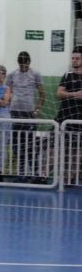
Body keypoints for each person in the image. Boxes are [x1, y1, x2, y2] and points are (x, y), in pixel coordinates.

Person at [6, 51, 46, 182]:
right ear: (18, 63)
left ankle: (35, 174)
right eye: (21, 65)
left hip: (29, 113)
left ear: (29, 63)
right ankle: (21, 173)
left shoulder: (35, 74)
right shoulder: (12, 74)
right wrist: (8, 108)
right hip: (15, 112)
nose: (23, 68)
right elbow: (8, 93)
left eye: (25, 65)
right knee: (17, 145)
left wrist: (37, 109)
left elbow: (42, 94)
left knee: (30, 145)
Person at [56, 46, 82, 184]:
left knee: (76, 150)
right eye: (73, 58)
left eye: (77, 58)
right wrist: (74, 94)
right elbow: (59, 93)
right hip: (64, 116)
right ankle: (44, 175)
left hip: (79, 118)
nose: (74, 60)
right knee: (56, 147)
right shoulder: (67, 75)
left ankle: (71, 177)